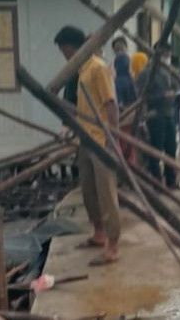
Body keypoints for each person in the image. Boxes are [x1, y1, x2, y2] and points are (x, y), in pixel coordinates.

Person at [54, 26, 120, 266]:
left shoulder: (97, 68)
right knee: (89, 191)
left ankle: (113, 245)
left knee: (106, 195)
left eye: (65, 50)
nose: (65, 55)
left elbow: (111, 105)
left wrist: (114, 138)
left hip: (101, 141)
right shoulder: (81, 71)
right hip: (85, 139)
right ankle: (99, 233)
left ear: (74, 47)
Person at [136, 43, 180, 189]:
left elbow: (175, 87)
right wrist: (162, 96)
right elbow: (142, 97)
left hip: (169, 114)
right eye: (164, 55)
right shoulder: (146, 74)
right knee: (155, 150)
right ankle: (156, 182)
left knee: (171, 149)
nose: (167, 58)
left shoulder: (168, 71)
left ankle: (171, 181)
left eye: (168, 55)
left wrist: (176, 91)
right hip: (155, 115)